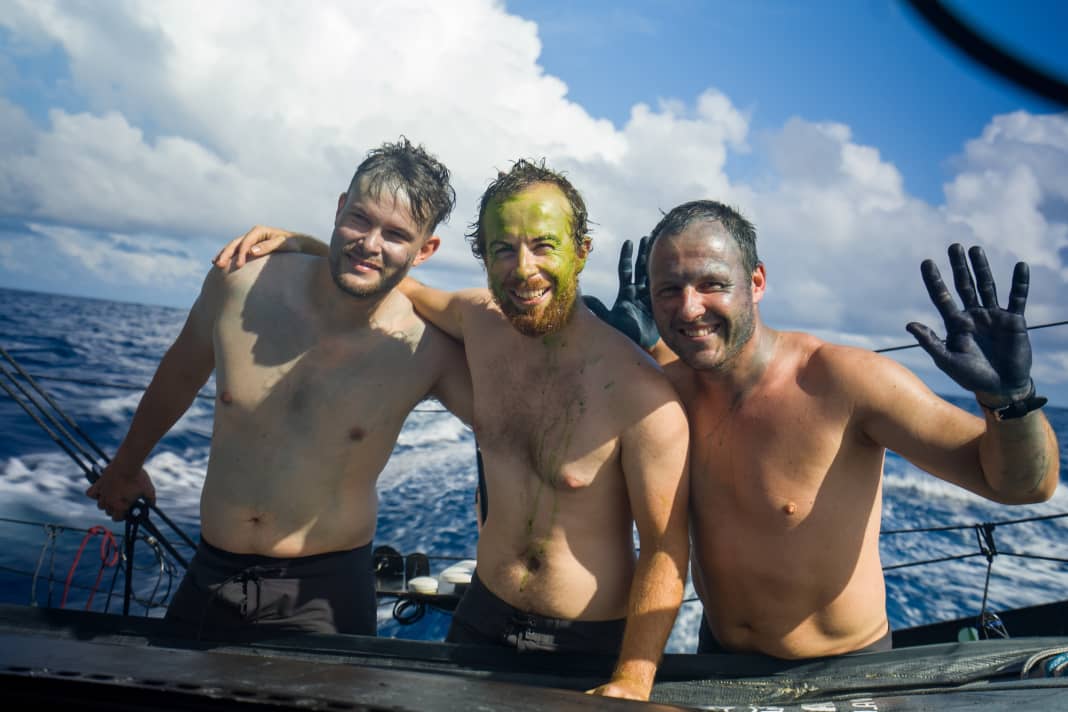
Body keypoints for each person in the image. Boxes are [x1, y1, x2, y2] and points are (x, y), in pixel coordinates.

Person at [214, 160, 691, 701]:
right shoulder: (478, 322)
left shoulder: (642, 393)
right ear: (483, 257)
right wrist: (305, 243)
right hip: (479, 618)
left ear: (581, 252)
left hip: (584, 643)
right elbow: (397, 283)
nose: (523, 268)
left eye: (544, 246)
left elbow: (665, 549)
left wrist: (633, 677)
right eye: (502, 249)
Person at [595, 199, 1060, 660]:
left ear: (756, 282)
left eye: (712, 284)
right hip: (718, 658)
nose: (689, 308)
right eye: (669, 290)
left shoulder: (847, 383)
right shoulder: (665, 391)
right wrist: (618, 355)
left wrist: (1010, 398)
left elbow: (1024, 487)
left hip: (845, 668)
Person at [87, 138, 473, 639]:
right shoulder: (241, 285)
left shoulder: (427, 347)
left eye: (396, 234)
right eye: (359, 219)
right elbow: (178, 376)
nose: (370, 243)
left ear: (425, 250)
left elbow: (509, 430)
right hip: (210, 570)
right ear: (338, 209)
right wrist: (125, 467)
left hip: (326, 592)